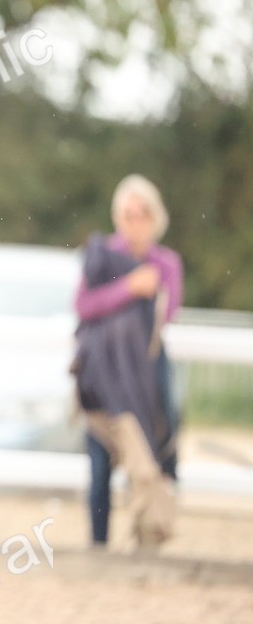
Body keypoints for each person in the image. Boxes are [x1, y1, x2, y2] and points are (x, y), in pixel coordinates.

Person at [72, 174, 183, 550]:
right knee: (99, 462)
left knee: (159, 441)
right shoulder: (102, 256)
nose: (135, 222)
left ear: (155, 218)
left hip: (145, 370)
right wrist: (130, 289)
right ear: (118, 216)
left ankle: (148, 538)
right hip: (103, 372)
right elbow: (84, 307)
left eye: (142, 215)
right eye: (128, 214)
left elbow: (167, 314)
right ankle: (98, 547)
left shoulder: (166, 263)